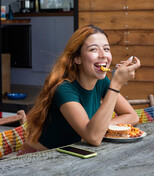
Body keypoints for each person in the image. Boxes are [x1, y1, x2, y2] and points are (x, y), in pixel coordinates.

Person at [20, 25, 140, 153]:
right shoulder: (64, 89)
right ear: (77, 58)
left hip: (71, 154)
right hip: (38, 158)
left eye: (106, 49)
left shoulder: (102, 82)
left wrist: (100, 127)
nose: (103, 55)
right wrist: (116, 84)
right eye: (93, 49)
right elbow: (93, 138)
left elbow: (132, 116)